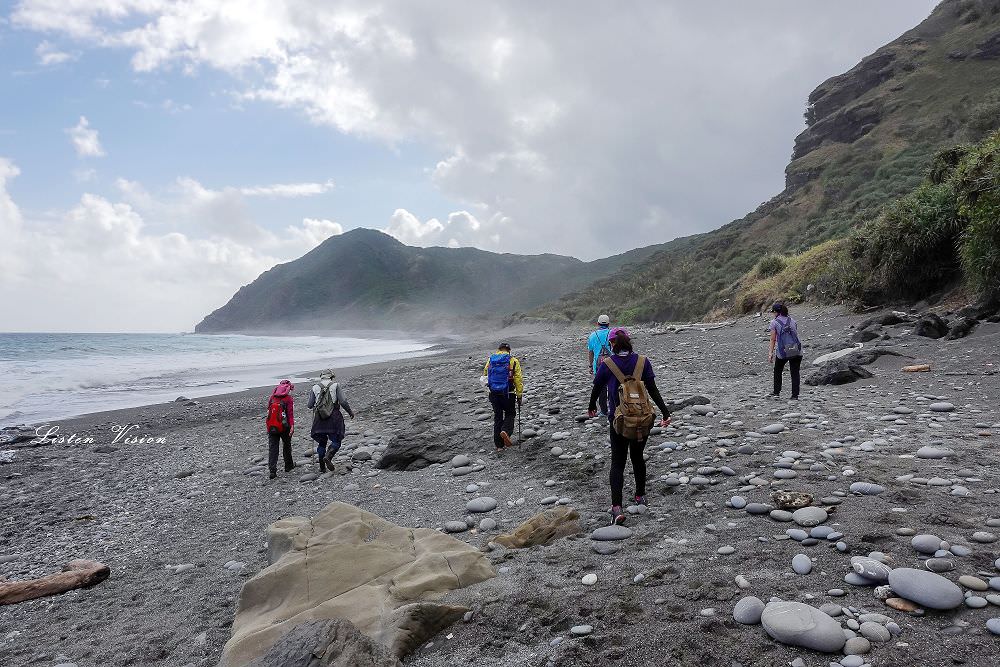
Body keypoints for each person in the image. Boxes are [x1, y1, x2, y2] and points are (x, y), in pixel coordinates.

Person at [588, 328, 671, 525]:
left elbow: (597, 387)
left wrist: (591, 406)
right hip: (642, 420)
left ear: (612, 344)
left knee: (617, 462)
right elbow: (652, 389)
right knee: (637, 457)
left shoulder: (607, 364)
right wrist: (665, 412)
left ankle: (617, 508)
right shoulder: (643, 362)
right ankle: (640, 495)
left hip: (618, 421)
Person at [308, 370, 355, 472]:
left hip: (319, 418)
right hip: (334, 416)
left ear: (321, 377)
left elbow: (310, 405)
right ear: (331, 377)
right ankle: (328, 457)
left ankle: (322, 467)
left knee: (322, 442)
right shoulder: (336, 385)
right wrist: (350, 412)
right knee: (336, 440)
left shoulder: (315, 387)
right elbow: (343, 401)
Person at [482, 342, 524, 453]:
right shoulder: (513, 360)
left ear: (499, 349)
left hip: (494, 393)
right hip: (508, 393)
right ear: (509, 350)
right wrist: (519, 395)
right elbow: (518, 379)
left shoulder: (491, 360)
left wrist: (489, 390)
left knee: (498, 417)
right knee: (510, 414)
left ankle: (499, 446)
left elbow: (485, 374)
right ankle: (505, 431)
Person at [768, 303, 803, 400]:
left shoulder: (774, 323)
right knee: (795, 372)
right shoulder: (792, 320)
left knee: (778, 370)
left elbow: (773, 339)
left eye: (773, 312)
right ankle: (795, 395)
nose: (773, 314)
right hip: (796, 349)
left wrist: (770, 353)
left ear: (776, 312)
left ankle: (776, 392)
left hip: (783, 351)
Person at [265, 379, 295, 479]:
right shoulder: (288, 399)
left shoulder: (272, 397)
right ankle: (288, 466)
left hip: (272, 426)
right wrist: (292, 426)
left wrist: (268, 426)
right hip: (284, 427)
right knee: (286, 445)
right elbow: (290, 414)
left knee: (273, 448)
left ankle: (272, 470)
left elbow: (269, 412)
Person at [587, 314, 613, 416]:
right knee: (612, 386)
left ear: (597, 324)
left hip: (598, 366)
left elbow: (590, 352)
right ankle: (614, 408)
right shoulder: (612, 333)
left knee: (601, 388)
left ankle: (603, 411)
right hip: (612, 364)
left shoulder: (592, 335)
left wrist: (590, 366)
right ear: (608, 324)